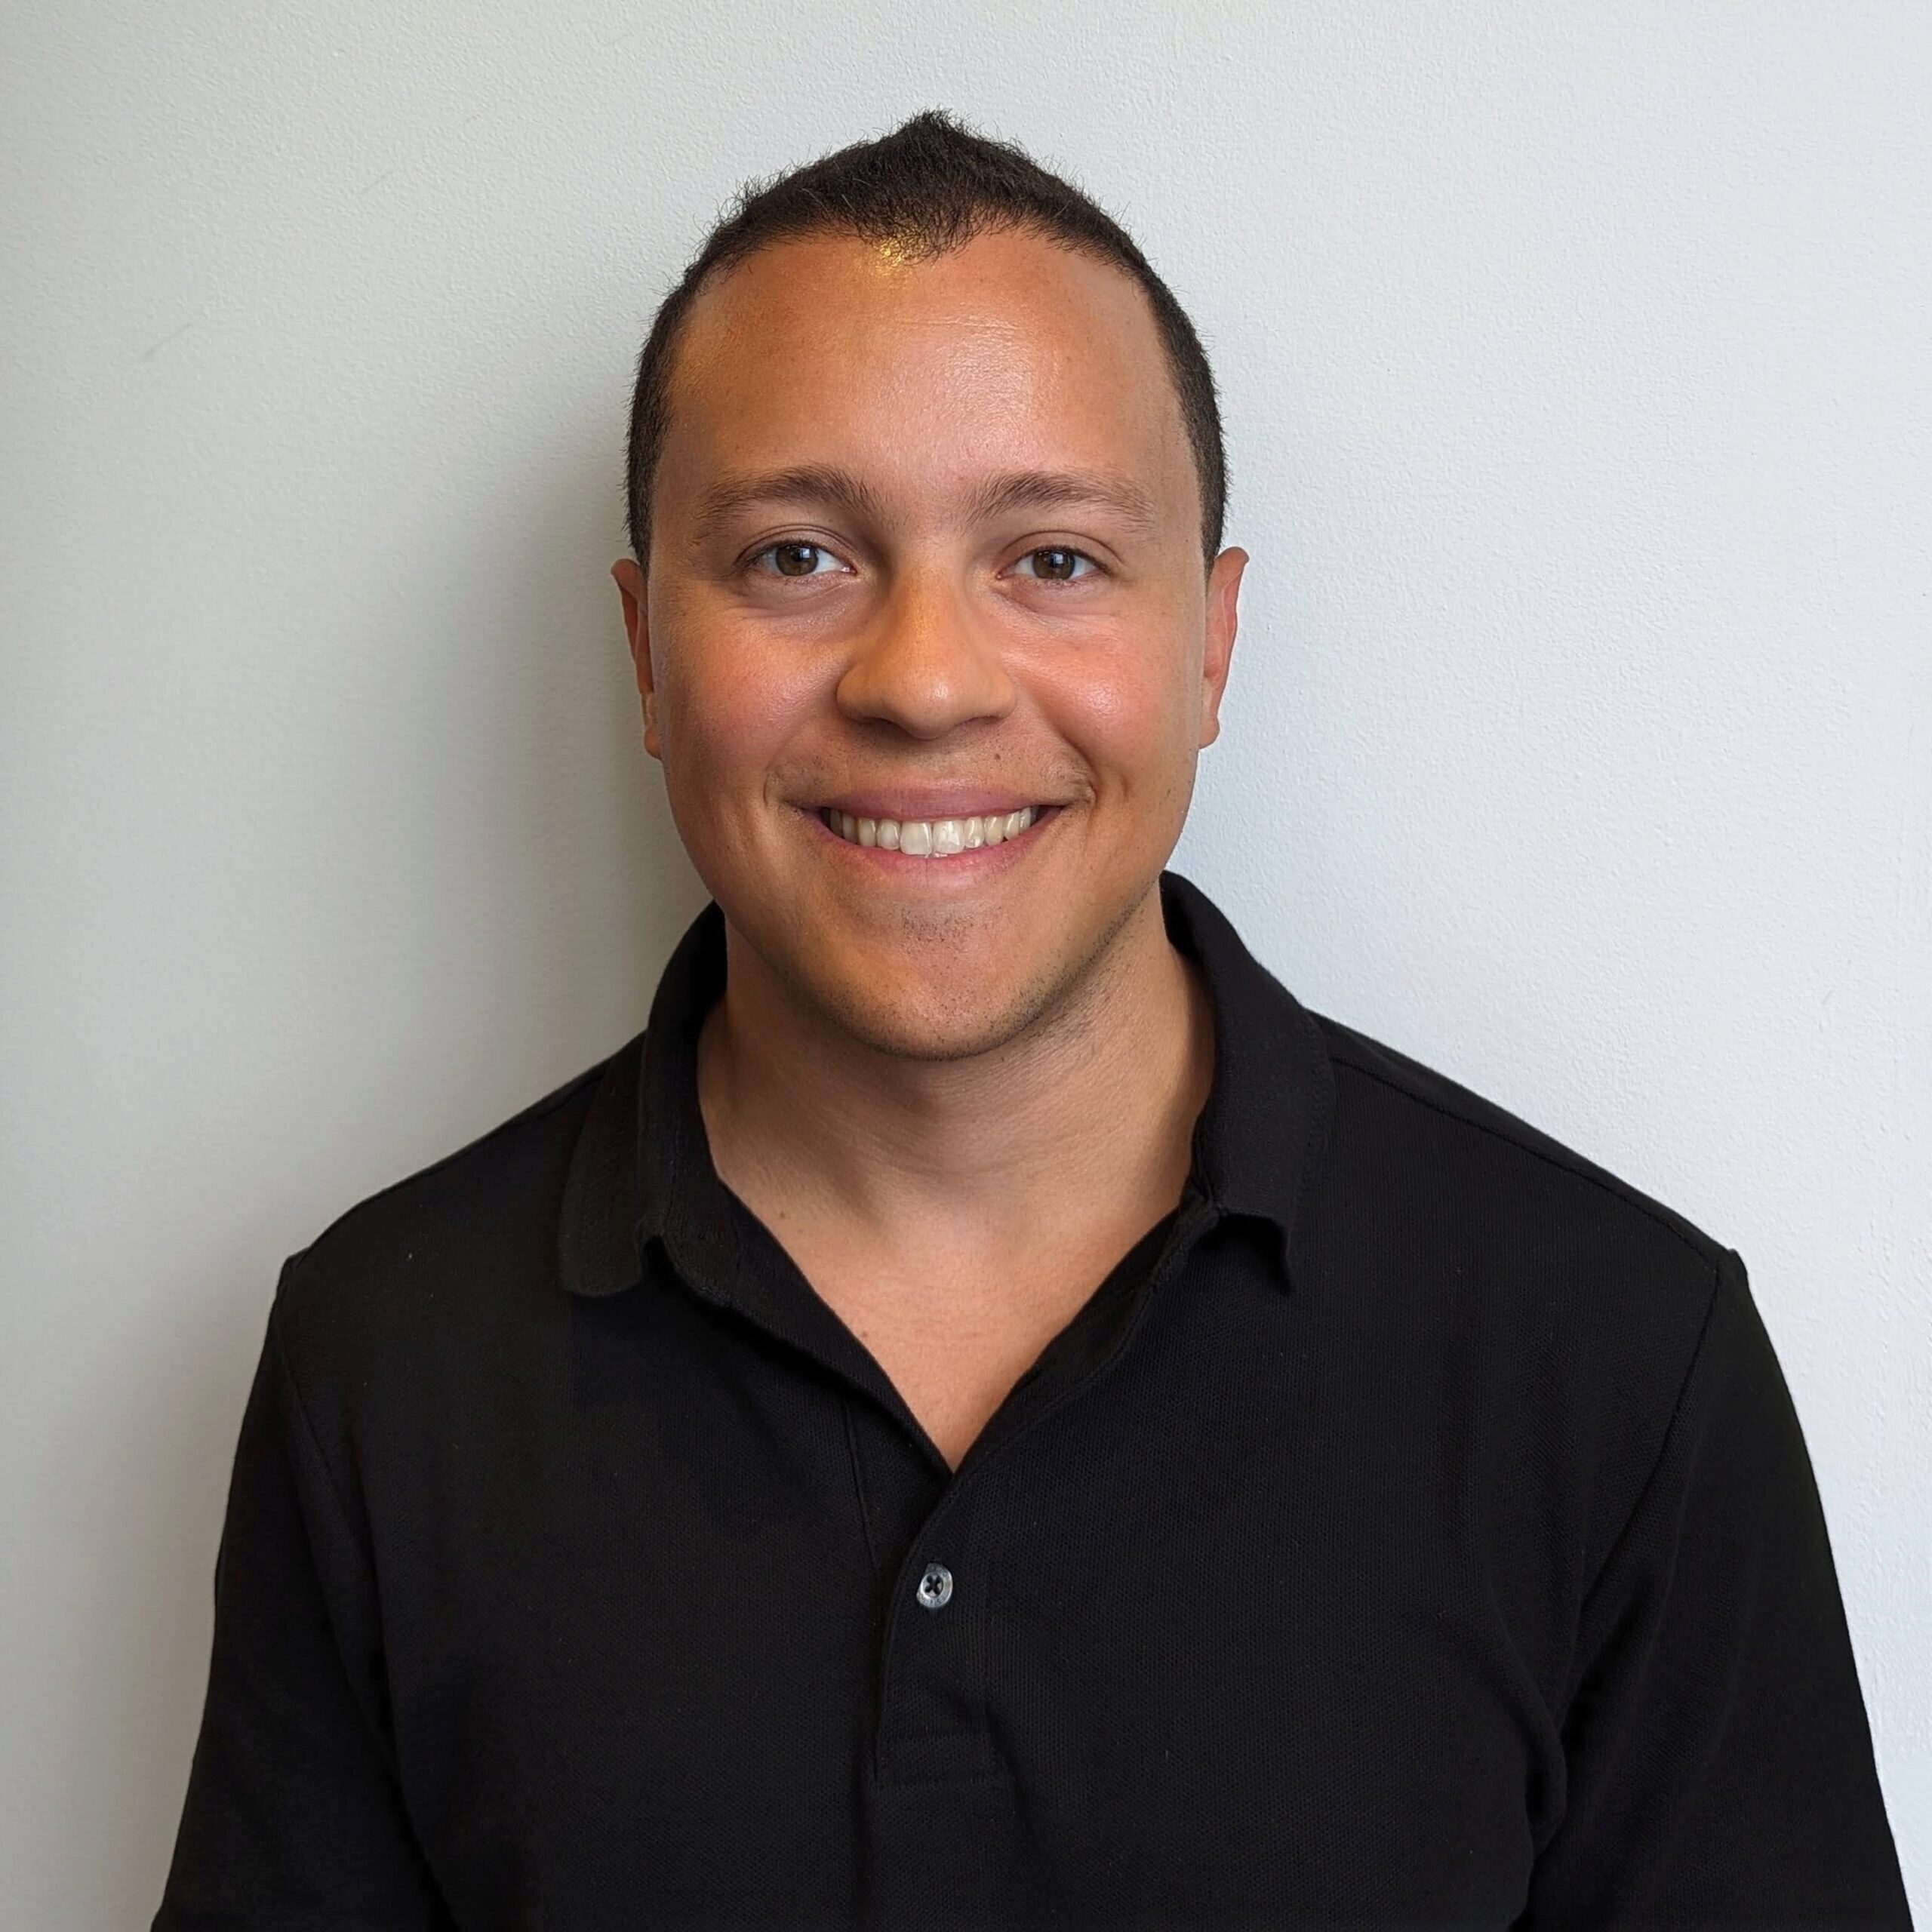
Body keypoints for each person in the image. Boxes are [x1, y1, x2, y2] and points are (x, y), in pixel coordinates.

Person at [154, 109, 1912, 1930]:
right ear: (645, 652)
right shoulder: (386, 1356)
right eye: (792, 556)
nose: (922, 679)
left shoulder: (1614, 1355)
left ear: (1210, 647)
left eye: (1053, 558)